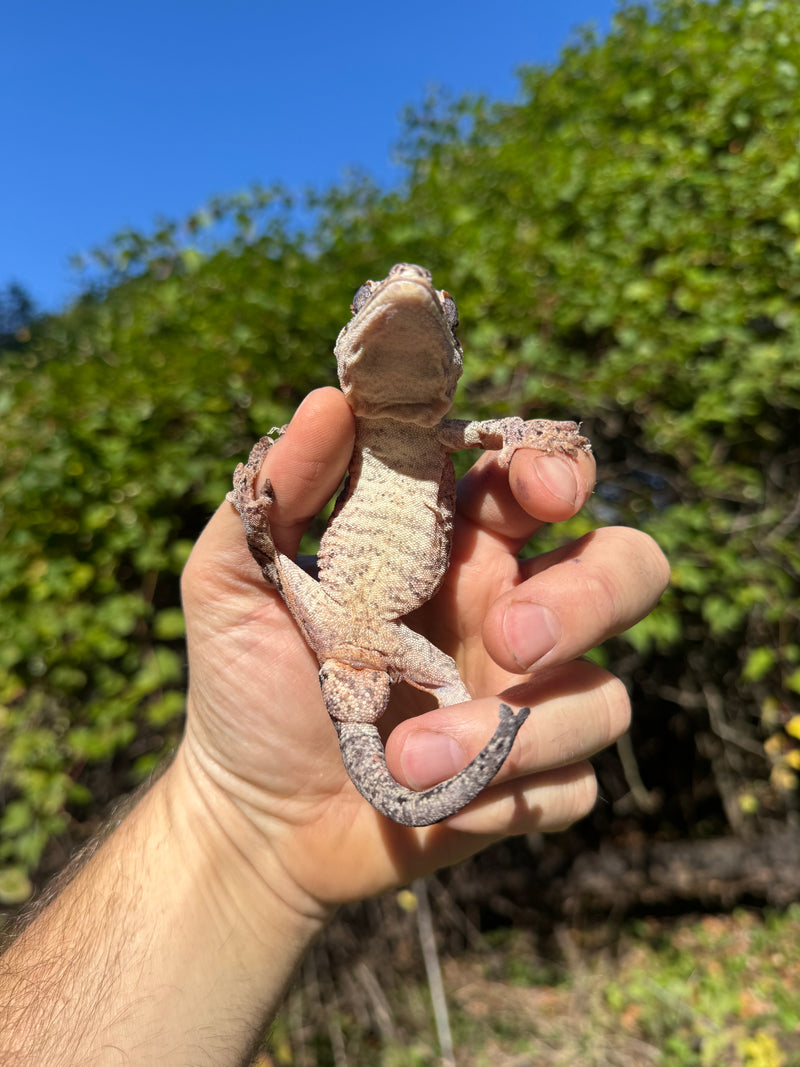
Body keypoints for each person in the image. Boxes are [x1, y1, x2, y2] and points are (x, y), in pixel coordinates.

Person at [0, 387, 669, 1065]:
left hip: (358, 625)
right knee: (456, 698)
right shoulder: (371, 424)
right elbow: (284, 563)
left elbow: (284, 564)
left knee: (455, 698)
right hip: (368, 630)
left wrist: (260, 526)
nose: (404, 276)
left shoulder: (434, 433)